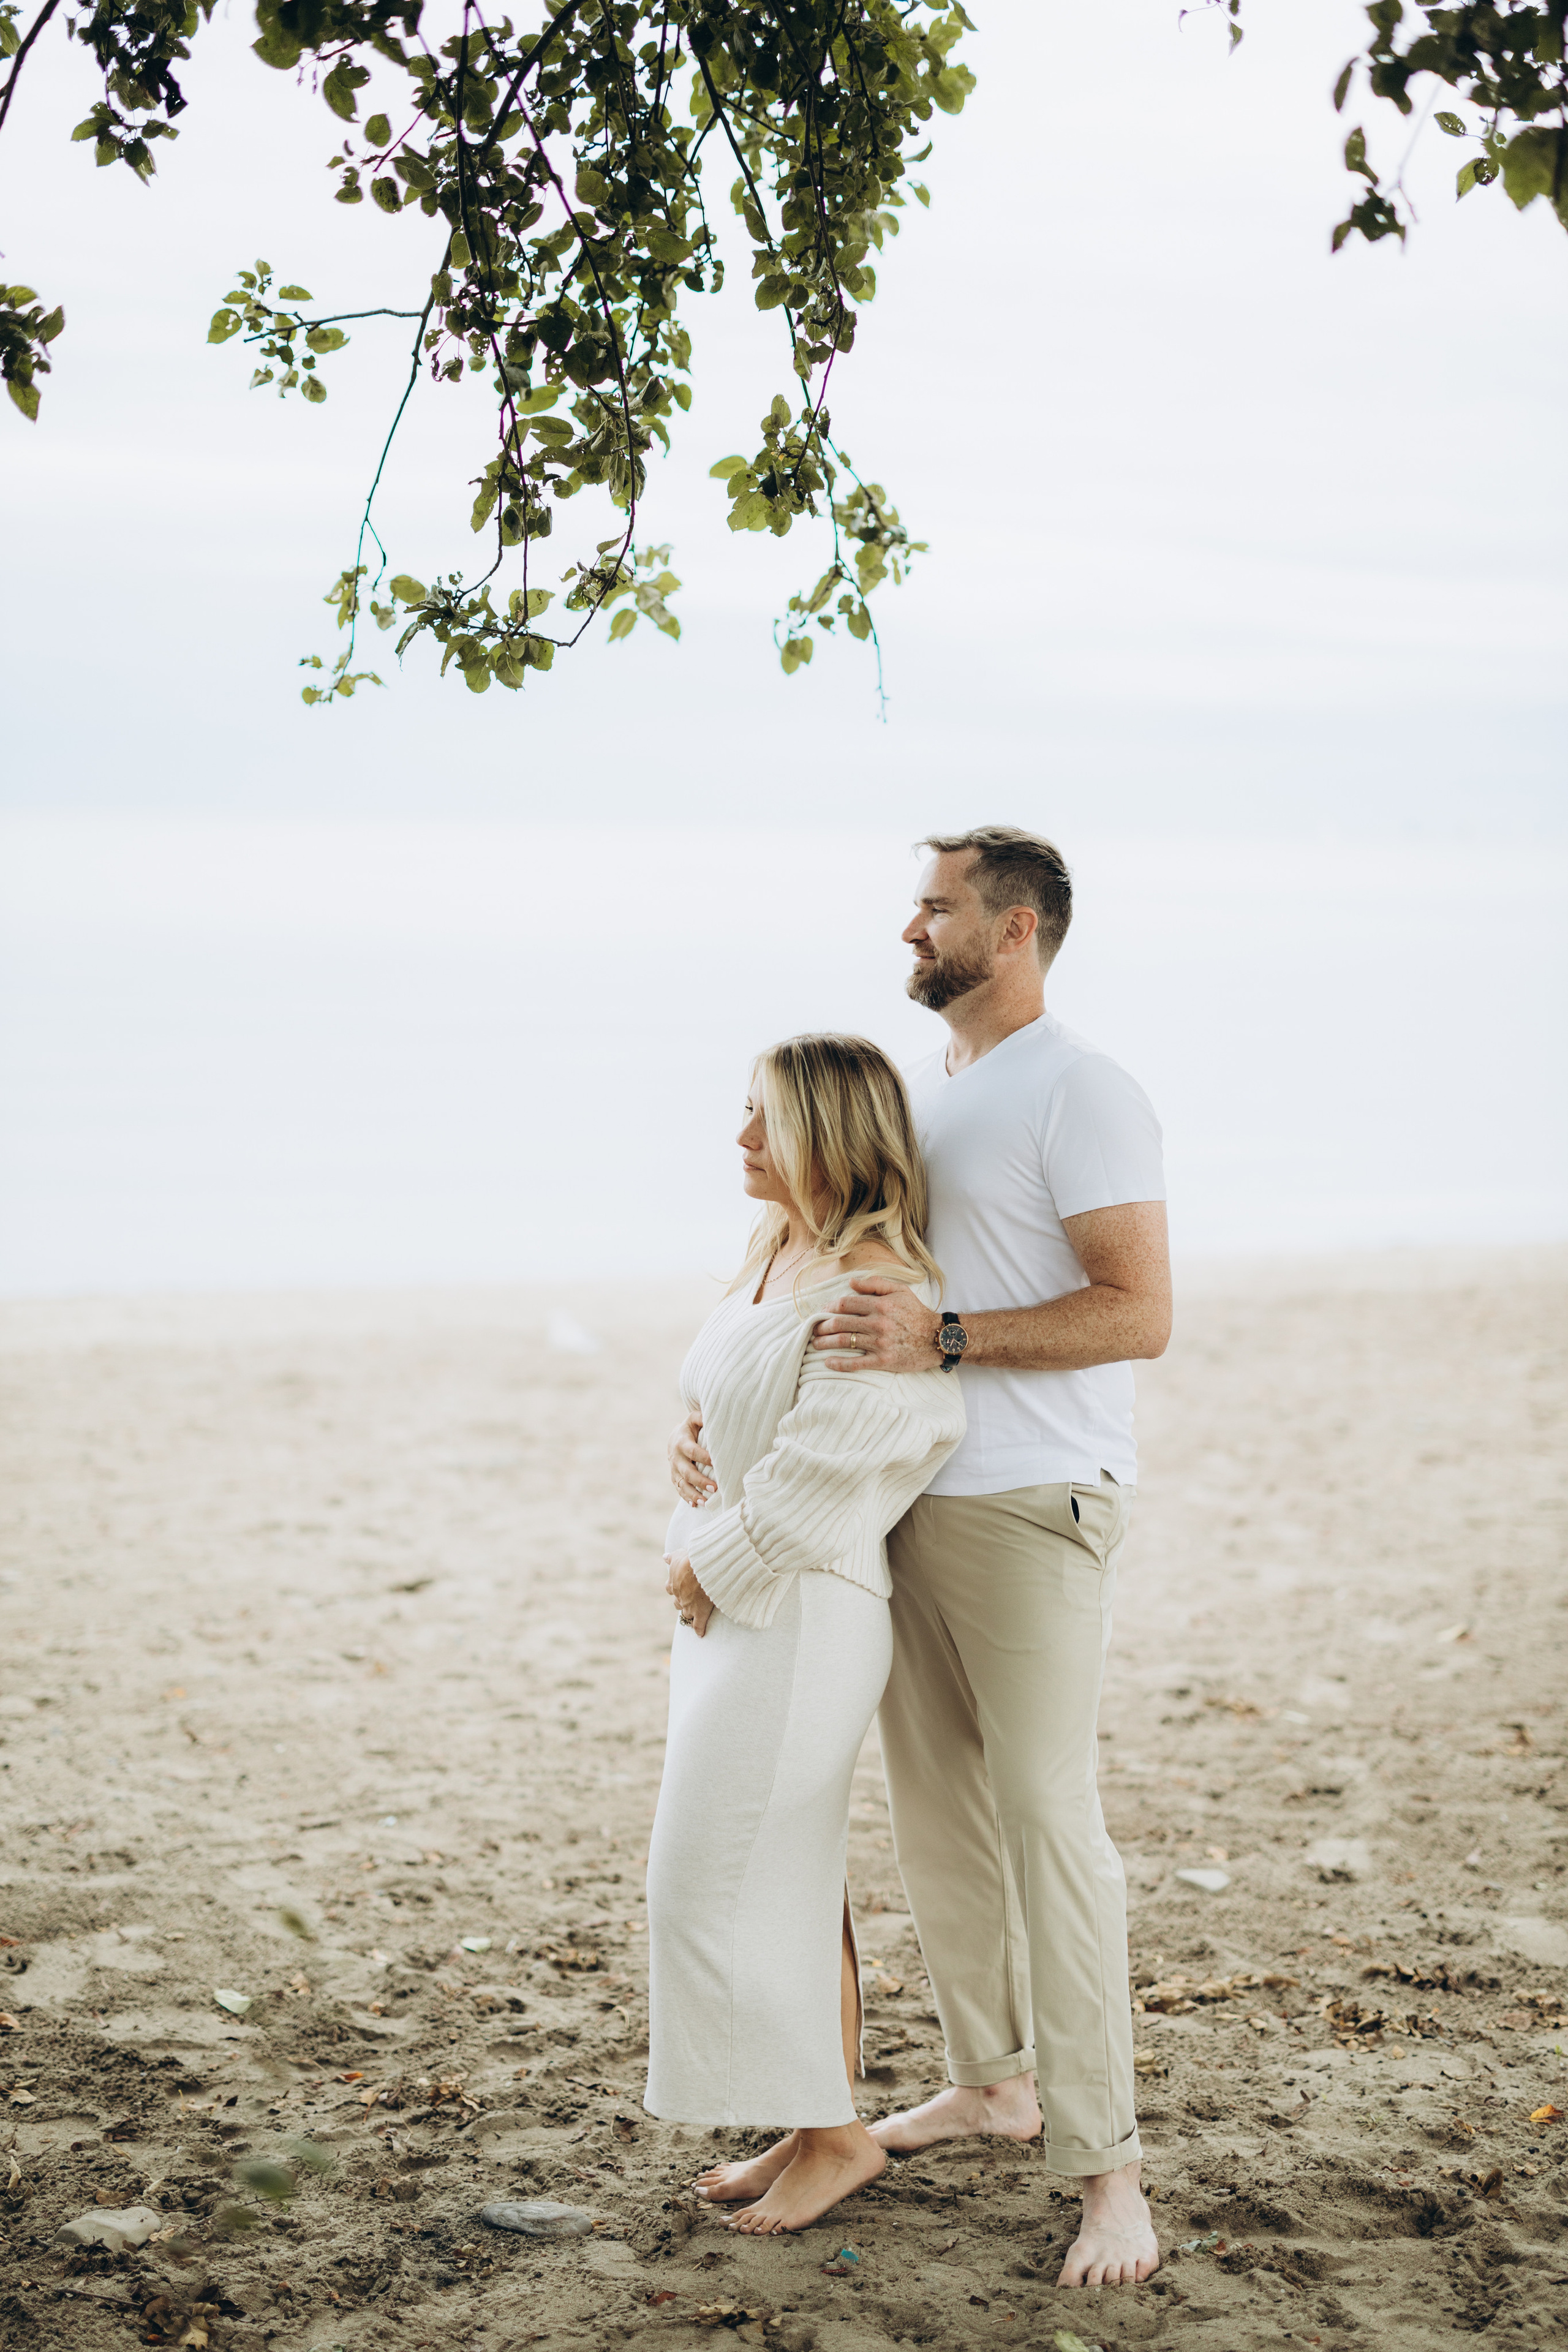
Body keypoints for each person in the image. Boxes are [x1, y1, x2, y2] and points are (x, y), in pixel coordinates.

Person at [671, 828, 1171, 2286]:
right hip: (906, 1510)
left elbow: (1136, 1312)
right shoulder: (941, 1095)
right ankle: (992, 2080)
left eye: (934, 907)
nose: (908, 928)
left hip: (1034, 1502)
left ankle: (1106, 2168)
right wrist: (712, 1426)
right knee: (936, 1818)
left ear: (1013, 929)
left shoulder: (1080, 1088)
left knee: (1045, 1823)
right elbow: (824, 1271)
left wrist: (943, 1338)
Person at [646, 1032, 965, 2236]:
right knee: (785, 1879)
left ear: (826, 1139)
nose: (737, 1140)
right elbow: (733, 1398)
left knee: (703, 1880)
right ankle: (810, 2110)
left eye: (760, 1121)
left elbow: (834, 1469)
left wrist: (705, 1564)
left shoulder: (872, 1288)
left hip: (796, 1619)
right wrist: (685, 1442)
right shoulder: (775, 1247)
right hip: (732, 1612)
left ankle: (840, 2141)